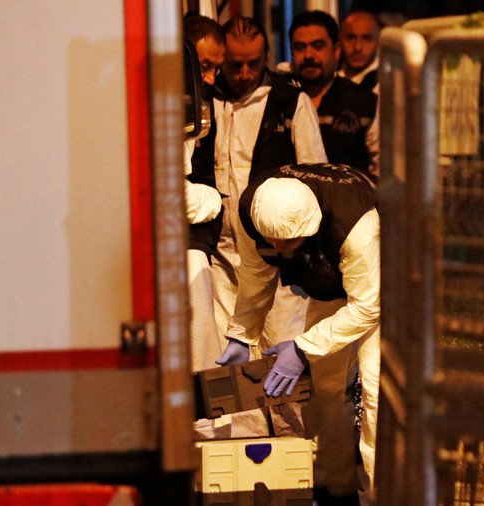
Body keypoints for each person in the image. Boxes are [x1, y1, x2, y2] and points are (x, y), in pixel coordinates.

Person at [218, 163, 380, 505]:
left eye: (289, 242)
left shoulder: (356, 225)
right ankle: (336, 488)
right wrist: (242, 333)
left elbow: (368, 306)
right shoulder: (253, 211)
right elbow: (255, 275)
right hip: (331, 285)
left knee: (376, 391)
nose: (280, 251)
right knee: (326, 388)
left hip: (381, 289)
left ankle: (385, 495)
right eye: (272, 242)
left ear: (312, 227)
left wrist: (303, 347)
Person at [210, 16, 327, 436]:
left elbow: (315, 174)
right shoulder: (208, 100)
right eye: (235, 64)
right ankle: (244, 451)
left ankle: (297, 452)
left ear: (266, 58)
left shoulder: (289, 101)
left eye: (253, 63)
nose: (244, 73)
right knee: (231, 366)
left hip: (280, 256)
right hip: (221, 255)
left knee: (284, 364)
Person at [182, 14, 225, 373]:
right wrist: (212, 201)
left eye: (216, 68)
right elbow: (172, 193)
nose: (210, 78)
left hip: (200, 240)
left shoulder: (202, 103)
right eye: (205, 65)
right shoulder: (177, 105)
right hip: (186, 243)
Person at [289, 10, 379, 179]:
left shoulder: (365, 103)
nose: (308, 55)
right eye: (300, 47)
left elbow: (382, 169)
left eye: (318, 46)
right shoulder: (279, 100)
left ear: (336, 51)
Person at [338, 10, 380, 94]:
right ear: (340, 40)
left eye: (367, 39)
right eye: (351, 38)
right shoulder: (328, 76)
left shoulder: (386, 84)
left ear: (378, 42)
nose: (357, 47)